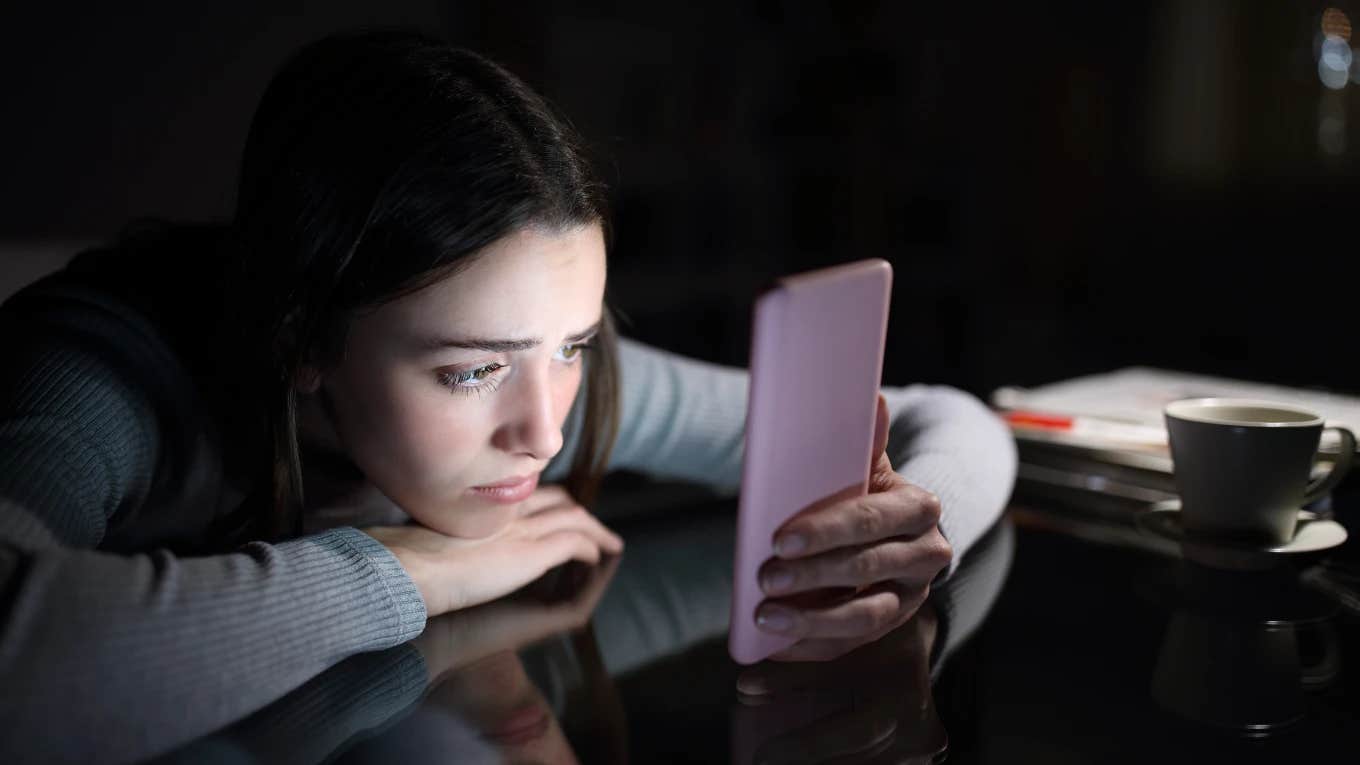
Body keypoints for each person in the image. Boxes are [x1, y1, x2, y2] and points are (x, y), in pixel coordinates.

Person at [0, 29, 1016, 762]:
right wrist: (408, 571)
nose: (546, 427)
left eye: (571, 343)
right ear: (302, 337)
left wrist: (896, 533)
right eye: (471, 369)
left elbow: (948, 417)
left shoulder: (551, 379)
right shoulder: (100, 377)